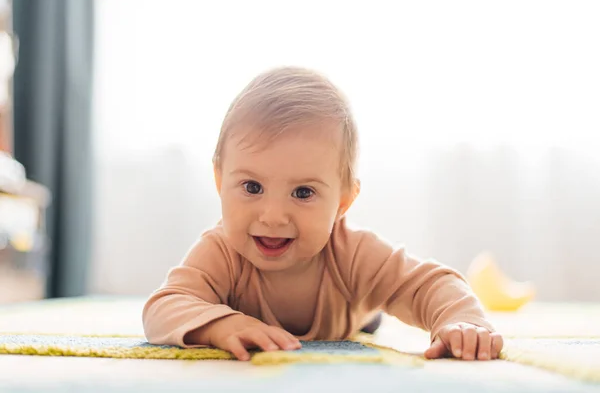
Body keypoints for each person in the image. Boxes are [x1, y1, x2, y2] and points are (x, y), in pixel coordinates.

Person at [142, 66, 503, 362]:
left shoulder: (353, 252)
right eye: (252, 187)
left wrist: (461, 321)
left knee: (372, 313)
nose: (272, 216)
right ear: (220, 181)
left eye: (303, 193)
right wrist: (219, 325)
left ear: (343, 203)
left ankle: (368, 313)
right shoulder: (221, 251)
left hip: (350, 311)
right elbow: (164, 307)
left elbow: (429, 283)